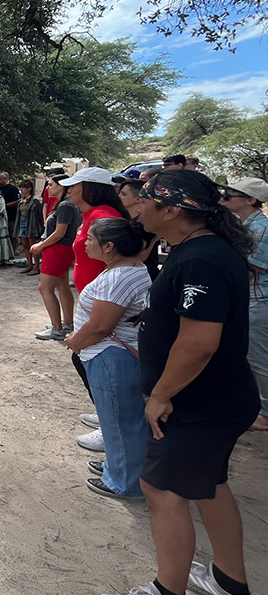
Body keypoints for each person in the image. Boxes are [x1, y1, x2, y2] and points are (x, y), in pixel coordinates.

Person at [107, 170, 260, 595]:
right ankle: (229, 580)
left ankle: (167, 587)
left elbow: (197, 343)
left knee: (161, 489)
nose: (137, 207)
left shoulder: (199, 259)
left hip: (196, 404)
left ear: (172, 210)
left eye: (146, 201)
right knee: (210, 485)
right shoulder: (195, 249)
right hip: (216, 397)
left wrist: (160, 394)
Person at [64, 219, 152, 501]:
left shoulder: (118, 277)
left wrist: (74, 342)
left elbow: (100, 326)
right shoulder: (130, 268)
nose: (85, 243)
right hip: (114, 354)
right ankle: (119, 465)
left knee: (120, 419)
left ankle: (124, 481)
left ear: (109, 246)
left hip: (110, 356)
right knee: (120, 416)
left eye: (90, 238)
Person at [221, 177, 268, 432]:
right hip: (247, 299)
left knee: (259, 359)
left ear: (250, 199)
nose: (225, 198)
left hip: (259, 300)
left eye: (231, 195)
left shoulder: (262, 228)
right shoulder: (245, 226)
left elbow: (254, 269)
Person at [59, 167, 129, 292]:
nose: (68, 191)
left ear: (90, 190)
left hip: (101, 296)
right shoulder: (91, 215)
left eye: (74, 185)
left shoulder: (101, 214)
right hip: (92, 296)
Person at [30, 174, 81, 341]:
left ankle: (57, 327)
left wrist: (40, 245)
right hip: (62, 249)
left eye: (51, 184)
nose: (48, 188)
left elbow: (60, 232)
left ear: (61, 186)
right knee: (62, 285)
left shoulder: (65, 206)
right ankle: (66, 323)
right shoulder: (66, 205)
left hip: (57, 249)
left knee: (45, 287)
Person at [118, 179, 162, 281]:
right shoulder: (133, 220)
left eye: (123, 194)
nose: (119, 197)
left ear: (138, 199)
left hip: (145, 275)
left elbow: (141, 257)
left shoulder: (143, 223)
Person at [14, 179, 45, 275]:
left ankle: (36, 267)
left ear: (29, 189)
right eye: (21, 188)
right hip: (22, 223)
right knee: (25, 246)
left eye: (24, 188)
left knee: (33, 246)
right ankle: (29, 265)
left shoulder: (35, 201)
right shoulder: (21, 201)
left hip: (32, 224)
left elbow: (39, 214)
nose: (22, 190)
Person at [0, 172, 22, 245]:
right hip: (0, 216)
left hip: (11, 214)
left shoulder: (12, 188)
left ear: (5, 179)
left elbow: (17, 201)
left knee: (12, 233)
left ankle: (14, 249)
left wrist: (5, 206)